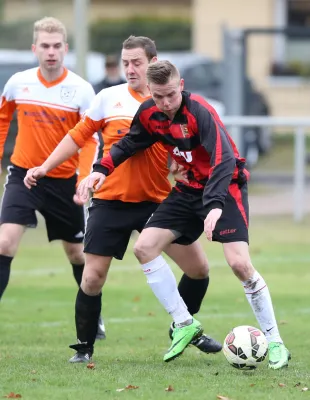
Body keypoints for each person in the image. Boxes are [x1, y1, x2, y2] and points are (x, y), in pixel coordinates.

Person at [74, 60, 291, 369]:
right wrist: (100, 170)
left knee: (240, 264)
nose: (165, 103)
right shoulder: (150, 113)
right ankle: (184, 322)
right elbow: (131, 143)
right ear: (150, 91)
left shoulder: (200, 111)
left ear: (182, 86)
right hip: (188, 190)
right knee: (144, 247)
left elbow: (224, 158)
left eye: (171, 95)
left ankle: (275, 342)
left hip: (225, 188)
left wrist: (215, 205)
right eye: (159, 96)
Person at [23, 36, 222, 363]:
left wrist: (182, 168)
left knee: (199, 269)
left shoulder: (172, 103)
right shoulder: (108, 99)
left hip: (158, 203)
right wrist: (45, 167)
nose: (130, 69)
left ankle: (182, 327)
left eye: (137, 63)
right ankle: (84, 348)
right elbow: (77, 137)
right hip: (111, 202)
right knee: (92, 277)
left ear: (154, 62)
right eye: (125, 62)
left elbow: (189, 149)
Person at [0, 16, 105, 339]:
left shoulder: (81, 90)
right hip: (23, 176)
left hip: (64, 182)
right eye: (45, 46)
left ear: (65, 49)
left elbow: (91, 139)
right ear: (35, 49)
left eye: (57, 46)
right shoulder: (19, 82)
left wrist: (83, 178)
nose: (51, 52)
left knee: (76, 253)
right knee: (4, 242)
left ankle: (94, 317)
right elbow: (3, 119)